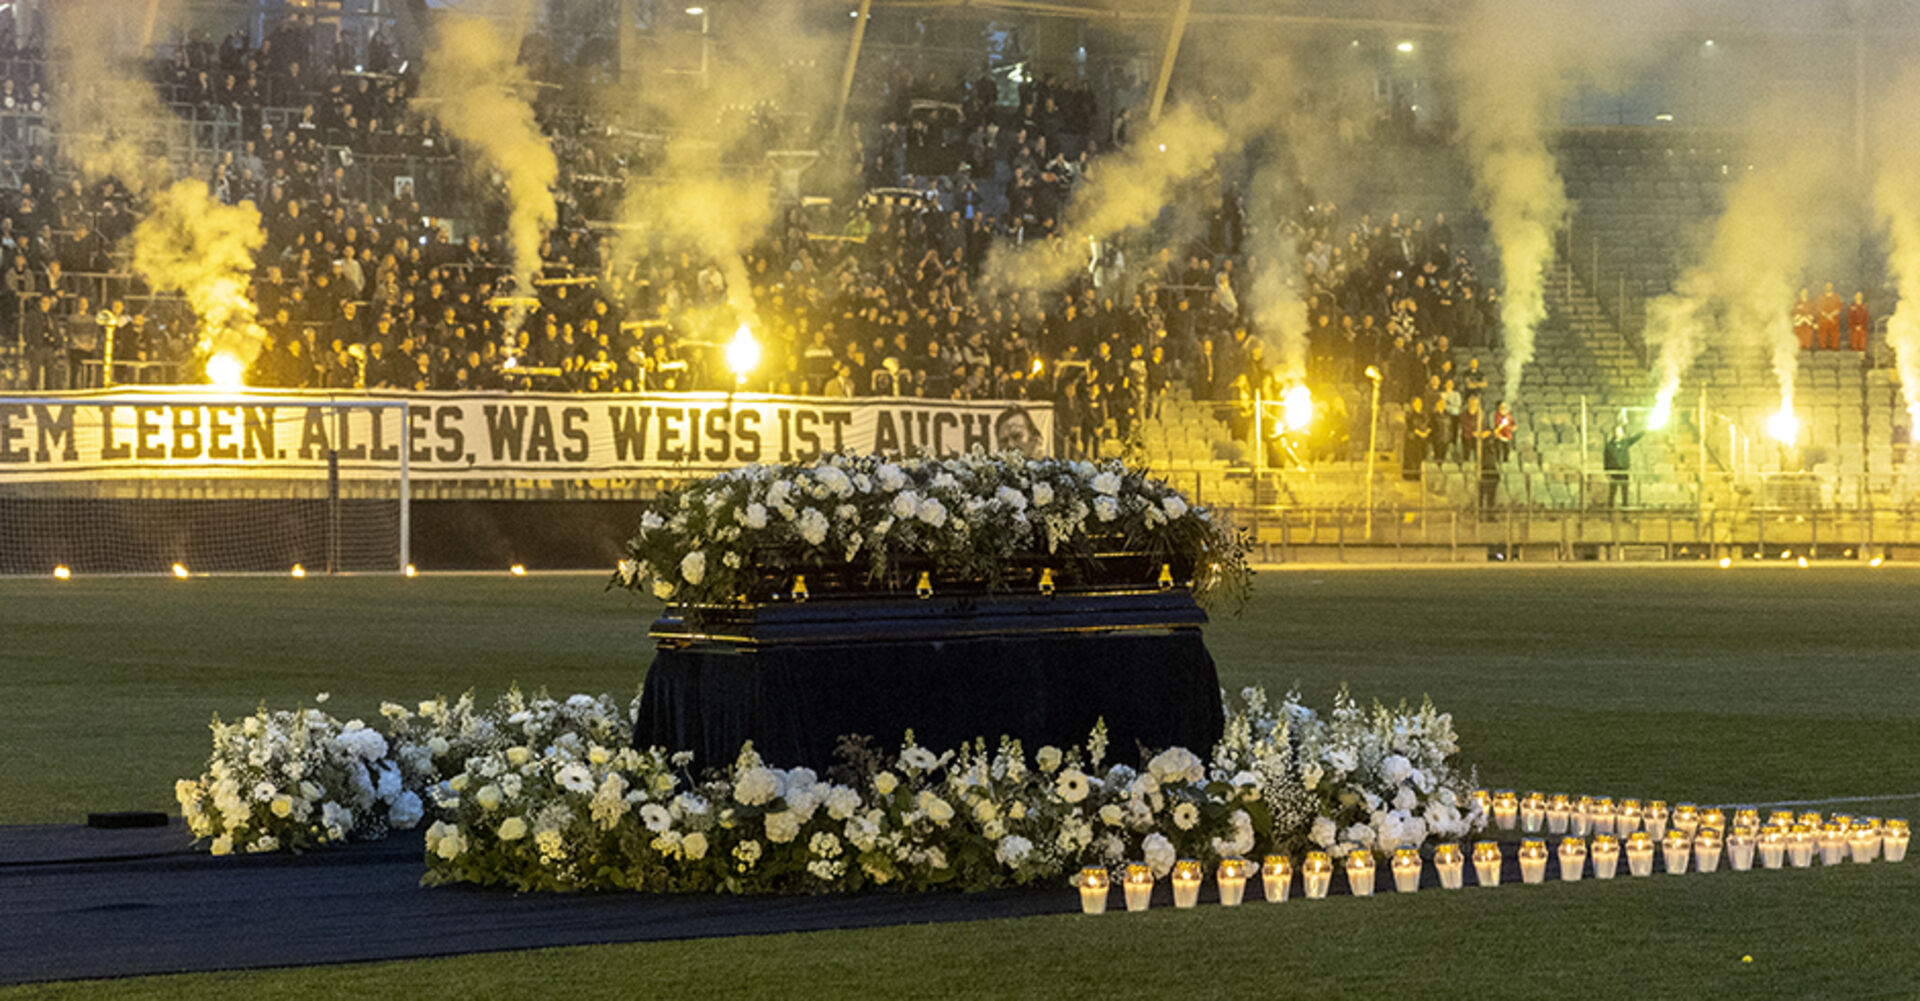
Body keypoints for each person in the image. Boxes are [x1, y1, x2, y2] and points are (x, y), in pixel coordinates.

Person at [1603, 423, 1644, 509]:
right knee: (1612, 493)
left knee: (1625, 494)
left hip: (1624, 471)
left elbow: (1635, 438)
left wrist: (1644, 430)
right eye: (1617, 431)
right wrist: (1606, 471)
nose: (1619, 433)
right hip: (1613, 472)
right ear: (1613, 432)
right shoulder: (1609, 445)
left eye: (1620, 431)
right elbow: (1606, 458)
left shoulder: (1625, 443)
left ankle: (1625, 515)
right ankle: (1610, 515)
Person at [1402, 394, 1430, 481]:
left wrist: (1426, 432)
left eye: (1420, 402)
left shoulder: (1424, 414)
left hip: (1422, 440)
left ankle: (1419, 477)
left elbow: (1429, 424)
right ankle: (1410, 477)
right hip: (1413, 440)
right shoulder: (1409, 414)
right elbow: (1410, 426)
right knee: (1412, 458)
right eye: (1417, 402)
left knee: (1420, 458)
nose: (1419, 404)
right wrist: (1419, 433)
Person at [1815, 282, 1844, 351]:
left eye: (1830, 286)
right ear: (1825, 287)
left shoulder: (1837, 297)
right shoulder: (1820, 297)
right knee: (1822, 335)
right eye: (1827, 286)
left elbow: (1839, 308)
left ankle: (1834, 349)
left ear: (1832, 287)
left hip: (1833, 320)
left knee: (1834, 335)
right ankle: (1822, 349)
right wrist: (1826, 315)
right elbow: (1818, 308)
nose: (1829, 288)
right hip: (1823, 320)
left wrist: (1832, 315)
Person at [1491, 400, 1515, 464]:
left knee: (1507, 450)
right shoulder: (1496, 415)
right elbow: (1495, 425)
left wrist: (1513, 427)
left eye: (1505, 406)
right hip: (1499, 436)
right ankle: (1497, 463)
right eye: (1502, 406)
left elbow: (1512, 423)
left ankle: (1505, 463)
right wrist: (1498, 431)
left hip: (1507, 436)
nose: (1504, 407)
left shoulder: (1508, 414)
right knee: (1498, 450)